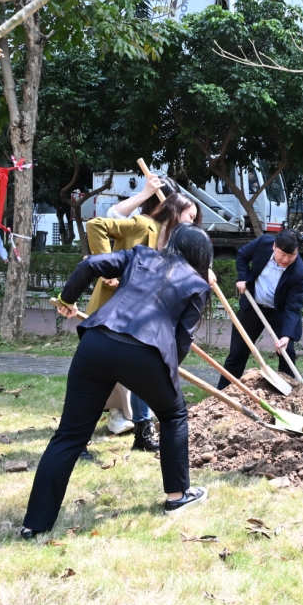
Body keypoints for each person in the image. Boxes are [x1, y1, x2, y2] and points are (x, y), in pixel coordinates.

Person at [20, 224, 214, 539]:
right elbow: (181, 343)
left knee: (69, 434)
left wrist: (66, 299)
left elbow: (90, 264)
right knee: (174, 413)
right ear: (202, 256)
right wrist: (164, 376)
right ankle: (177, 497)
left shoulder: (142, 255)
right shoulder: (197, 283)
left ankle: (34, 523)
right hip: (146, 354)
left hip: (97, 342)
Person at [84, 177, 200, 451]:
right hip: (111, 312)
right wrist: (108, 269)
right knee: (98, 380)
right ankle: (81, 440)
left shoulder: (175, 239)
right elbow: (98, 223)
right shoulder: (142, 223)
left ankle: (143, 434)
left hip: (141, 319)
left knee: (141, 374)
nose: (193, 223)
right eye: (190, 216)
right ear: (174, 207)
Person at [218, 228, 303, 387]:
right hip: (253, 306)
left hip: (278, 313)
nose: (286, 259)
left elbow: (293, 306)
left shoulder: (299, 272)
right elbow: (242, 256)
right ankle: (223, 392)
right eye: (283, 254)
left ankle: (285, 394)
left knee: (287, 352)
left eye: (291, 255)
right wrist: (243, 278)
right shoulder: (262, 243)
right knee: (238, 352)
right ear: (274, 246)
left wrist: (286, 336)